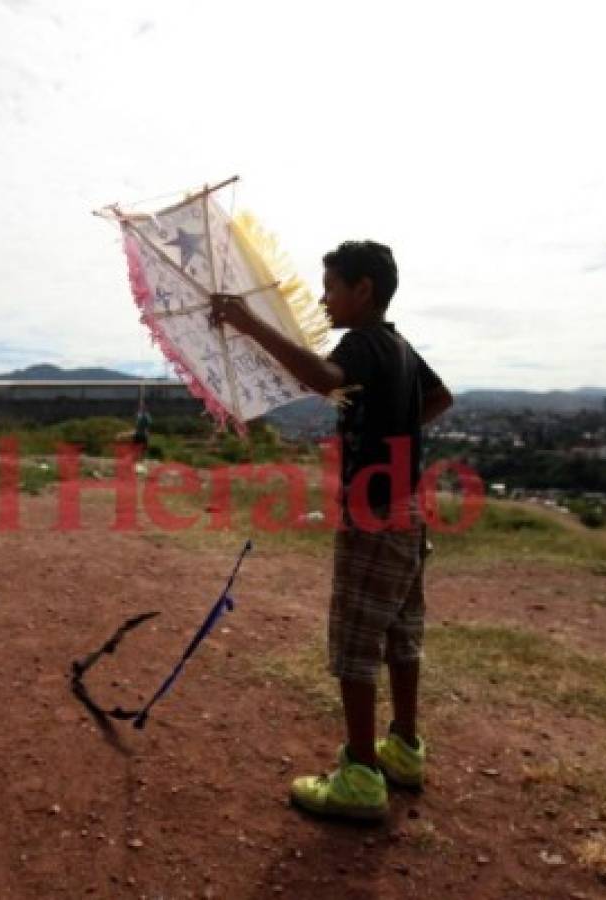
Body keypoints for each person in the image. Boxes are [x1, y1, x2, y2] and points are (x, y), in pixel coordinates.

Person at [209, 240, 453, 820]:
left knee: (354, 642)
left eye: (331, 288)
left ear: (362, 290)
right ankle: (405, 751)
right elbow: (441, 399)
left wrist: (247, 323)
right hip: (408, 510)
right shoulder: (400, 345)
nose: (323, 300)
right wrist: (390, 431)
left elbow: (324, 376)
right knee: (401, 631)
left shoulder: (363, 341)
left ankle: (362, 776)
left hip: (372, 514)